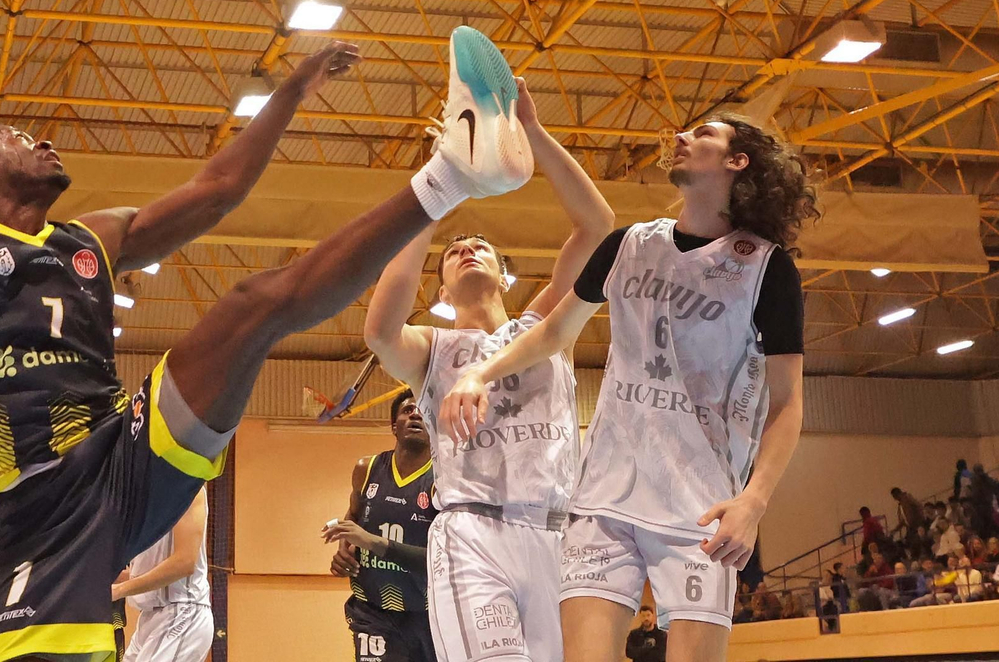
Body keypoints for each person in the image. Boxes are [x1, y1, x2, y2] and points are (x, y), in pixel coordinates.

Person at [0, 0, 537, 660]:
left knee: (253, 304)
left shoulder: (91, 240)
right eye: (20, 138)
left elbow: (218, 191)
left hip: (125, 451)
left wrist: (292, 88)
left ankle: (451, 173)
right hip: (45, 514)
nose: (43, 142)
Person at [437, 114, 815, 661]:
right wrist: (478, 372)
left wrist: (755, 500)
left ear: (738, 163)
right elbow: (552, 333)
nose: (681, 138)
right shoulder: (628, 246)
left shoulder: (765, 270)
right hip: (605, 501)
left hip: (699, 507)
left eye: (703, 135)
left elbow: (788, 404)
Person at [360, 74, 614, 662]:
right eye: (453, 252)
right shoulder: (434, 348)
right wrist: (435, 194)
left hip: (558, 534)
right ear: (442, 287)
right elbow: (378, 330)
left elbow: (600, 231)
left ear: (506, 276)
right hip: (473, 531)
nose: (466, 249)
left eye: (481, 248)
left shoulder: (546, 324)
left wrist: (534, 131)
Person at [323, 390, 437, 662]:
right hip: (373, 612)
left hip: (429, 614)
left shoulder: (445, 479)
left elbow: (443, 557)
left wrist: (372, 542)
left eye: (423, 410)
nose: (416, 414)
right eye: (408, 410)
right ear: (393, 427)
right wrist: (345, 550)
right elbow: (353, 516)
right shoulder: (367, 468)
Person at [114, 490, 211, 662]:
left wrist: (119, 590)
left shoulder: (187, 489)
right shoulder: (147, 498)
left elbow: (184, 563)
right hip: (150, 617)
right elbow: (143, 574)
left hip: (183, 612)